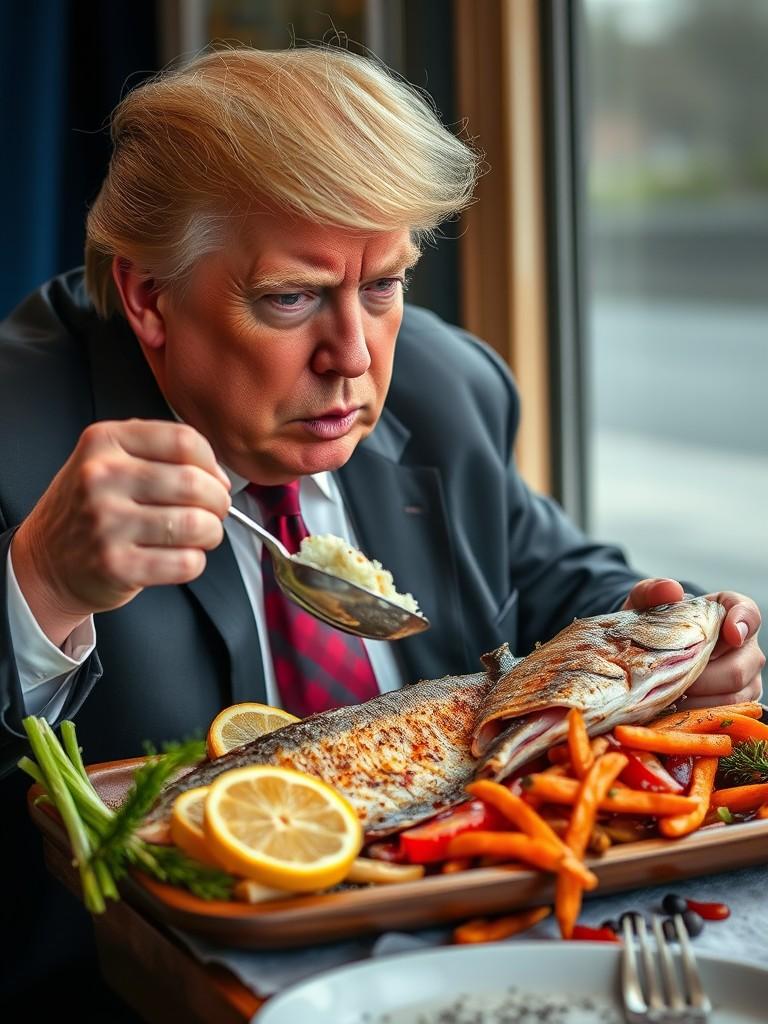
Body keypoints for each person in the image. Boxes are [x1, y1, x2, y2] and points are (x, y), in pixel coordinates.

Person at [0, 45, 762, 1017]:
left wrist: (676, 640)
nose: (353, 357)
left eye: (383, 284)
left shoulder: (450, 387)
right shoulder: (15, 437)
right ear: (149, 297)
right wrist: (39, 586)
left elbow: (563, 582)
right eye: (291, 297)